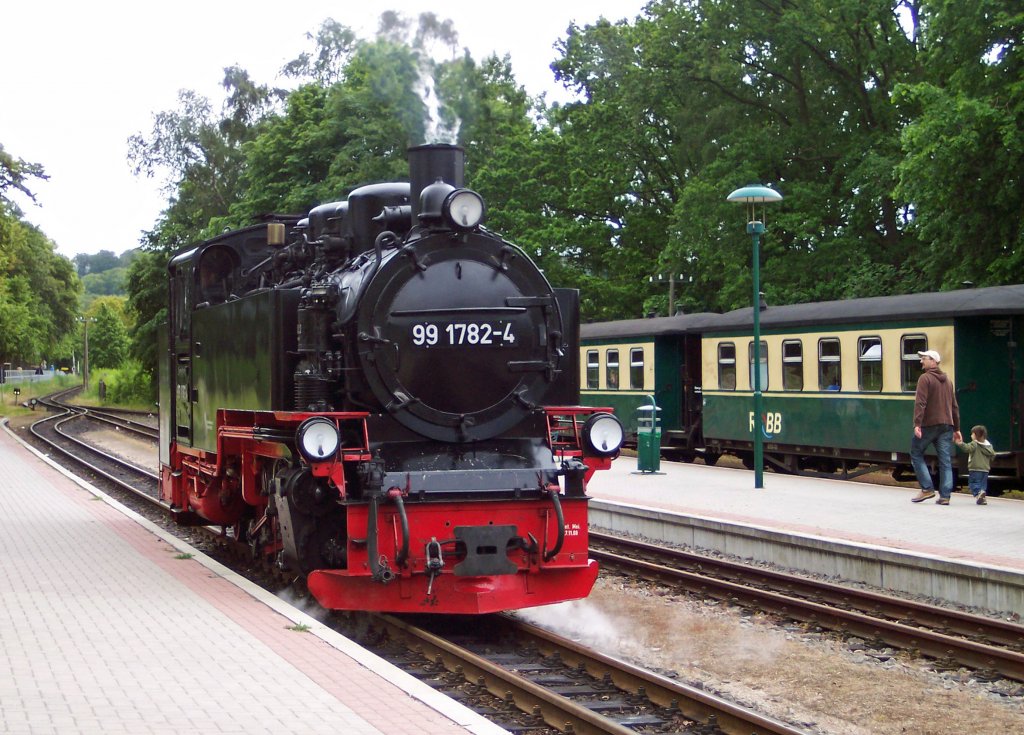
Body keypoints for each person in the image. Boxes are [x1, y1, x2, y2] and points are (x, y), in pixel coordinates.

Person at [910, 349, 960, 505]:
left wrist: (917, 424)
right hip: (947, 425)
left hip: (930, 424)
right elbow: (954, 406)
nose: (921, 361)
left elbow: (921, 403)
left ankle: (927, 489)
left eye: (923, 358)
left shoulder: (925, 379)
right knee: (945, 460)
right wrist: (957, 428)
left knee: (916, 452)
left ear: (933, 361)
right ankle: (945, 496)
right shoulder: (948, 381)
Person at [955, 424, 995, 505]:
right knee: (982, 484)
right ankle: (982, 496)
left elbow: (967, 448)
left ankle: (978, 494)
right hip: (985, 469)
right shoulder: (989, 446)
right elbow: (993, 455)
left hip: (975, 468)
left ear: (976, 436)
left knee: (973, 483)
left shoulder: (974, 444)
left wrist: (960, 443)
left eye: (972, 434)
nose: (971, 435)